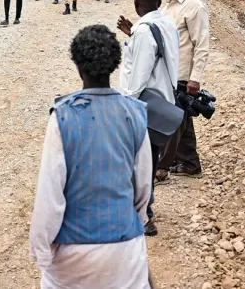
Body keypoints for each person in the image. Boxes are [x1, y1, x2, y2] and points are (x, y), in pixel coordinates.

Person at [29, 25, 153, 289]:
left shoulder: (63, 116)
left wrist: (41, 252)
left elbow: (50, 197)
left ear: (77, 65)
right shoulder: (136, 113)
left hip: (73, 252)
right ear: (115, 64)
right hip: (125, 247)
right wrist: (132, 224)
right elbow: (142, 188)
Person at [116, 0, 180, 237]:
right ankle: (143, 211)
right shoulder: (166, 24)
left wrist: (126, 105)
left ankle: (145, 218)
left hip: (143, 106)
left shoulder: (144, 31)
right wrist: (132, 36)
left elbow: (139, 76)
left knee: (140, 164)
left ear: (135, 3)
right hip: (161, 103)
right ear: (159, 1)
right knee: (148, 162)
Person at [157, 0, 210, 179]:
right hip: (167, 72)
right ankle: (190, 164)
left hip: (182, 75)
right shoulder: (168, 6)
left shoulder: (195, 7)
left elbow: (202, 45)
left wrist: (194, 78)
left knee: (173, 120)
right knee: (183, 120)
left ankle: (161, 168)